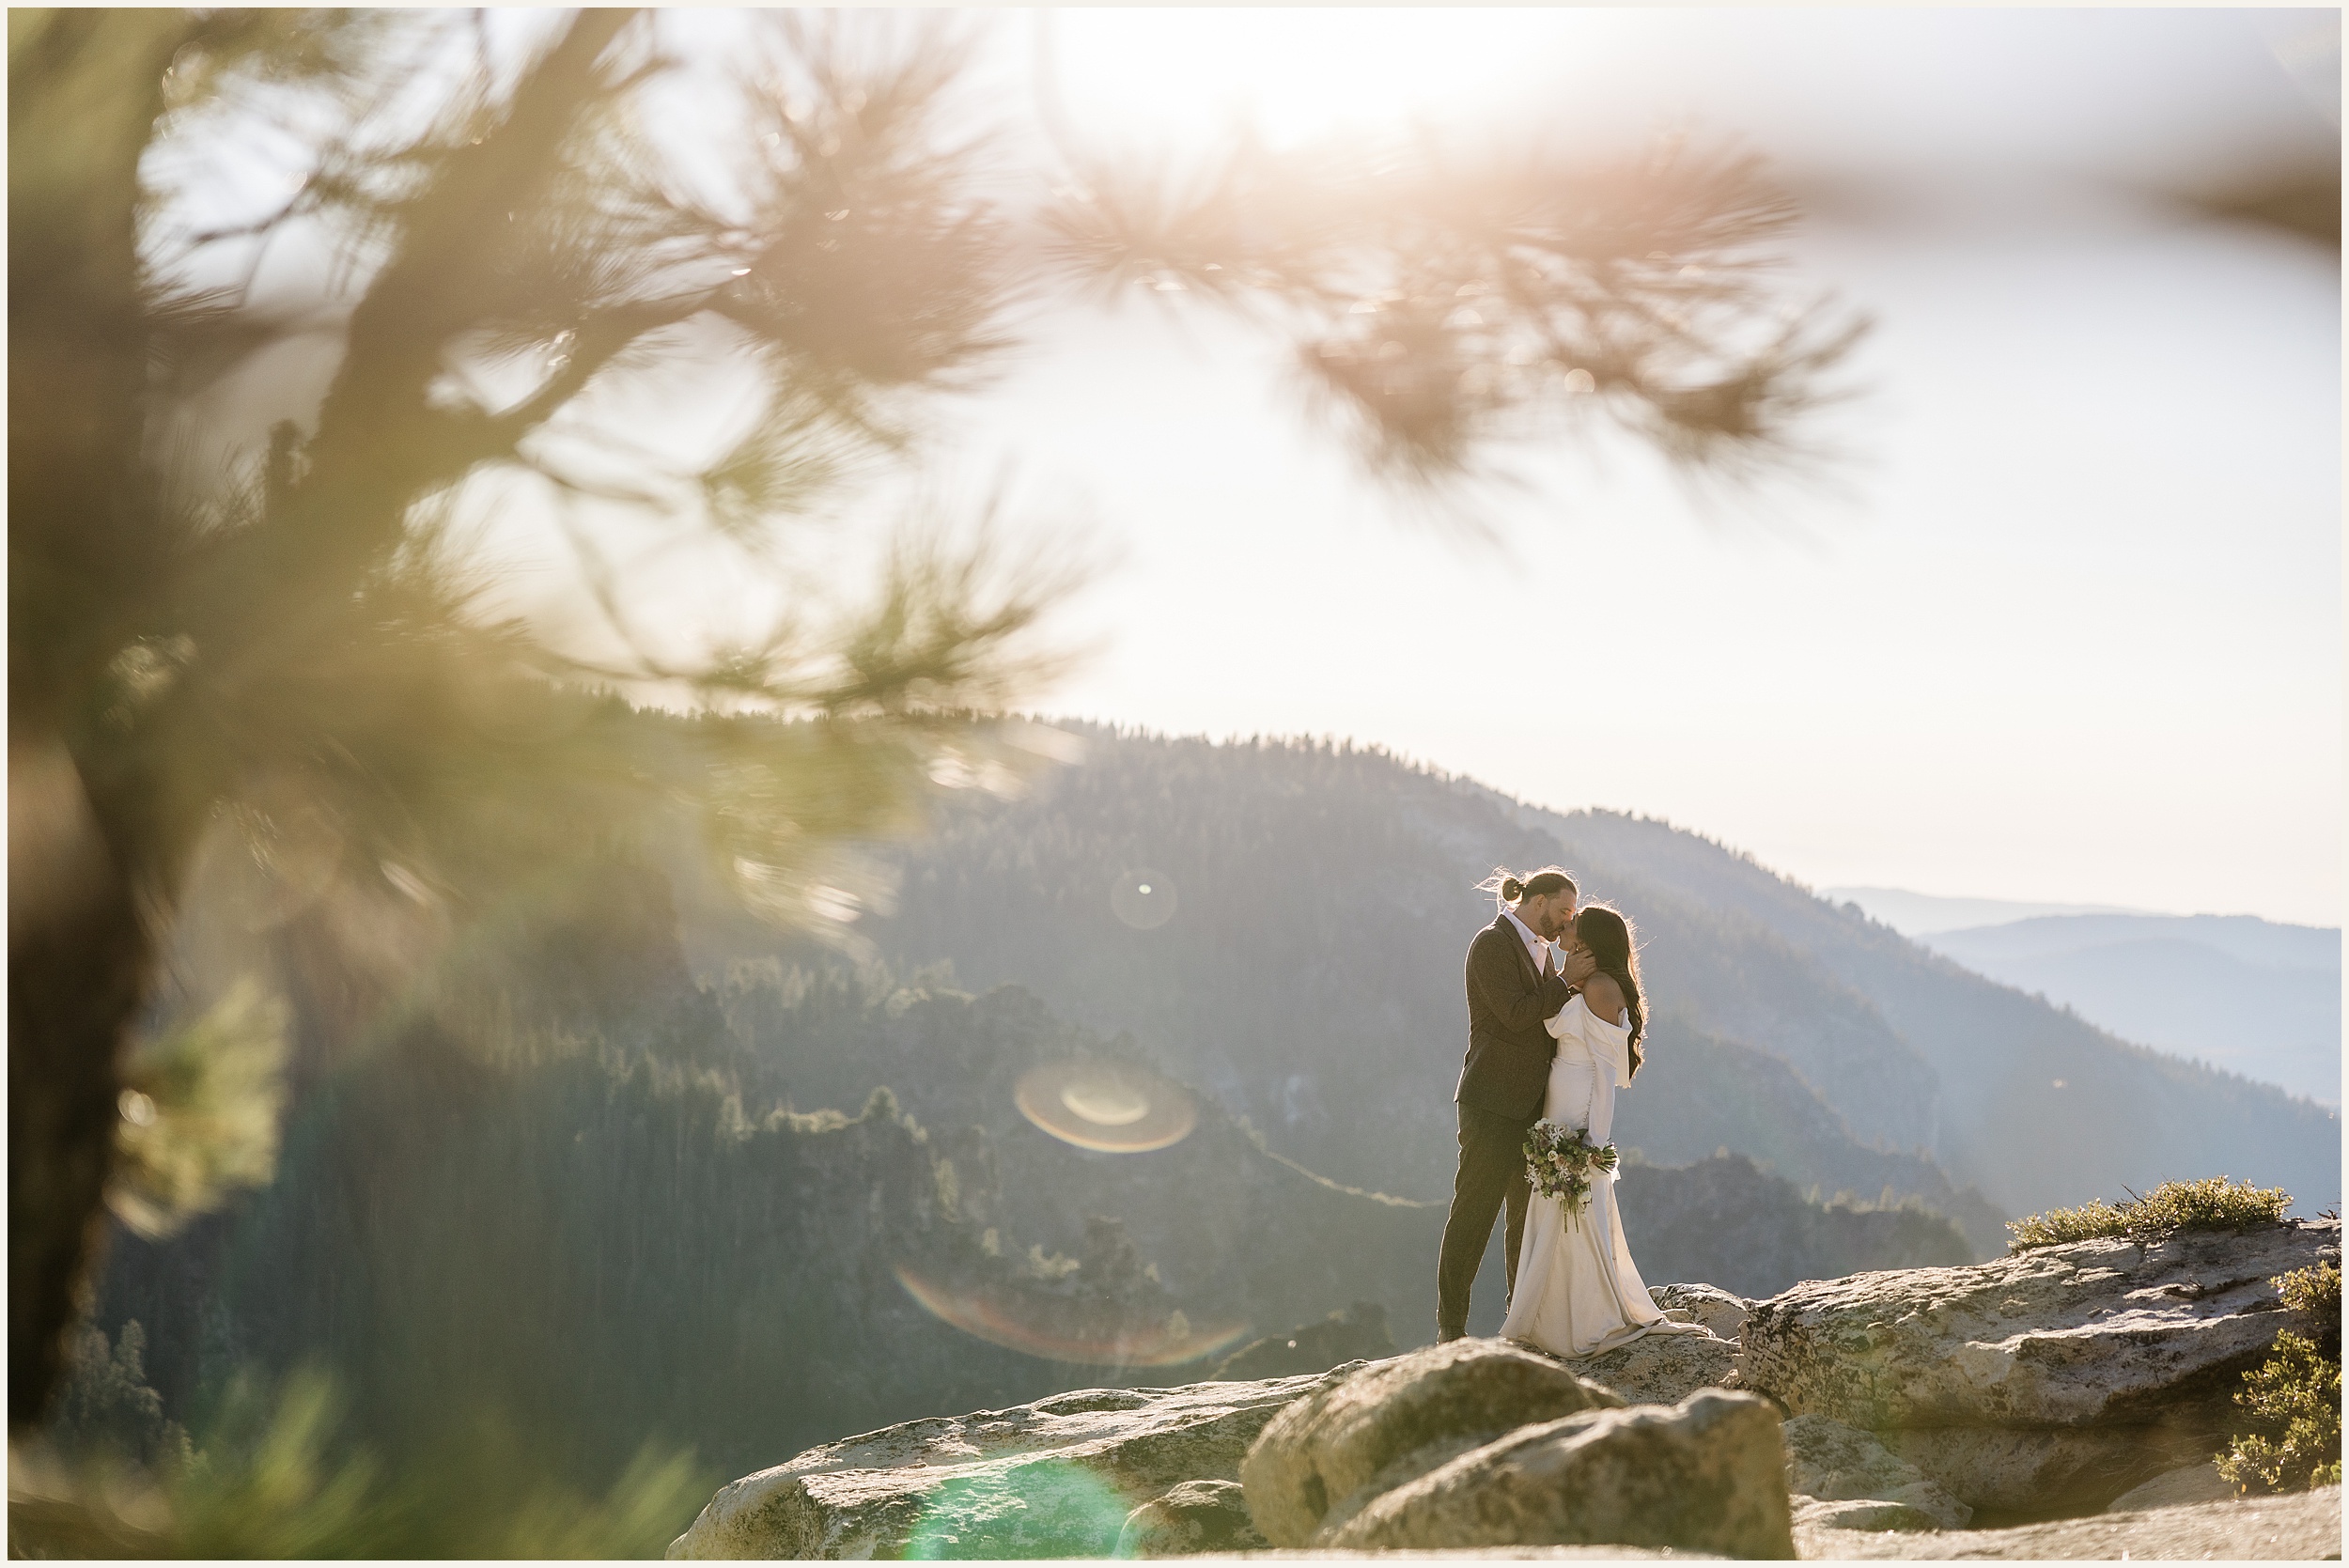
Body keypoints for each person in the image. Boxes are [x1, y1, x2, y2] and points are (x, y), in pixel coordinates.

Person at [1498, 902, 1704, 1357]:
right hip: (1559, 1100)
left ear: (1589, 941)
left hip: (1577, 1106)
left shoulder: (1600, 987)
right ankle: (1549, 1313)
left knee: (1572, 1202)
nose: (1565, 925)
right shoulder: (1583, 981)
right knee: (1555, 1206)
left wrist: (1593, 1142)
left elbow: (1605, 1073)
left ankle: (1578, 1316)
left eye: (1573, 923)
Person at [1436, 865, 1595, 1343]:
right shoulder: (1491, 943)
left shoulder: (1544, 952)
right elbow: (1514, 1016)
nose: (1567, 922)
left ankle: (1519, 1323)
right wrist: (1566, 981)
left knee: (1525, 1221)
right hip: (1490, 1102)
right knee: (1474, 1212)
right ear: (1538, 900)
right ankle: (1451, 1330)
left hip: (1530, 1107)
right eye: (1564, 911)